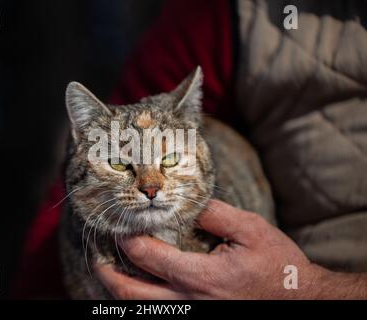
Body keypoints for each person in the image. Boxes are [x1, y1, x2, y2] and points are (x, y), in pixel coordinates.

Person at [93, 0, 367, 299]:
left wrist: (301, 290)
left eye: (168, 160)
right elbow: (120, 122)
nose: (150, 186)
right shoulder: (222, 13)